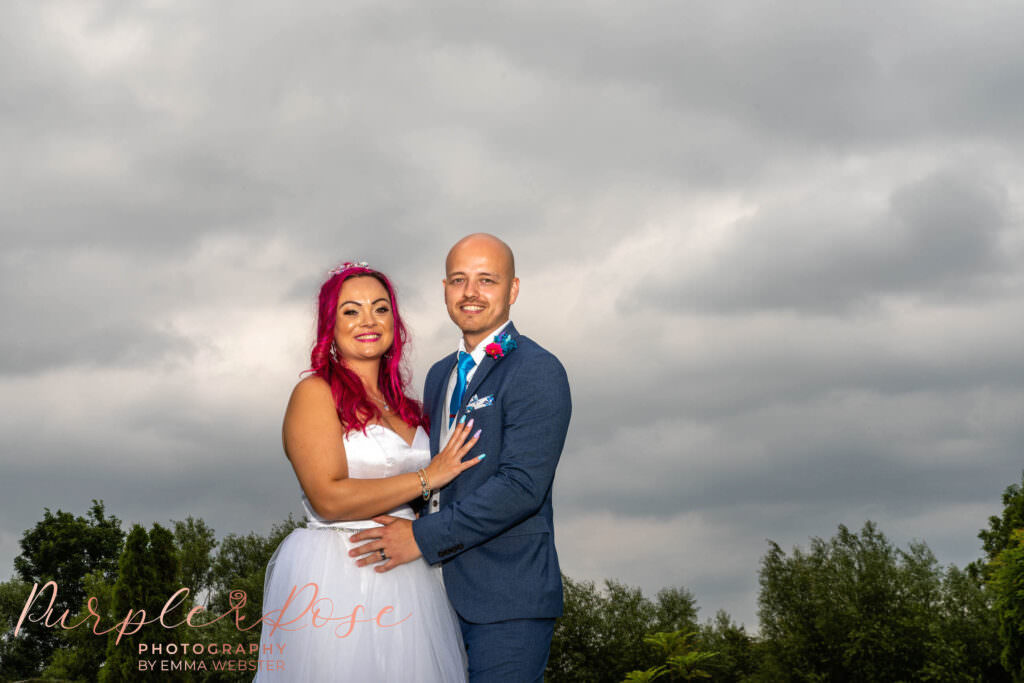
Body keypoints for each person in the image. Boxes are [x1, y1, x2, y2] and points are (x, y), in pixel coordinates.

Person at [350, 234, 572, 681]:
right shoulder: (439, 376)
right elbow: (435, 481)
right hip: (431, 596)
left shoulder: (537, 369)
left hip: (507, 600)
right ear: (446, 289)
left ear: (512, 290)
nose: (470, 292)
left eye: (486, 280)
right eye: (459, 280)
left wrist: (421, 537)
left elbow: (521, 488)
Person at [255, 262, 482, 682]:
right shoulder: (315, 394)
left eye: (380, 309)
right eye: (351, 310)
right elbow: (328, 498)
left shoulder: (410, 408)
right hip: (339, 569)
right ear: (330, 324)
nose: (368, 321)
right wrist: (428, 476)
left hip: (410, 572)